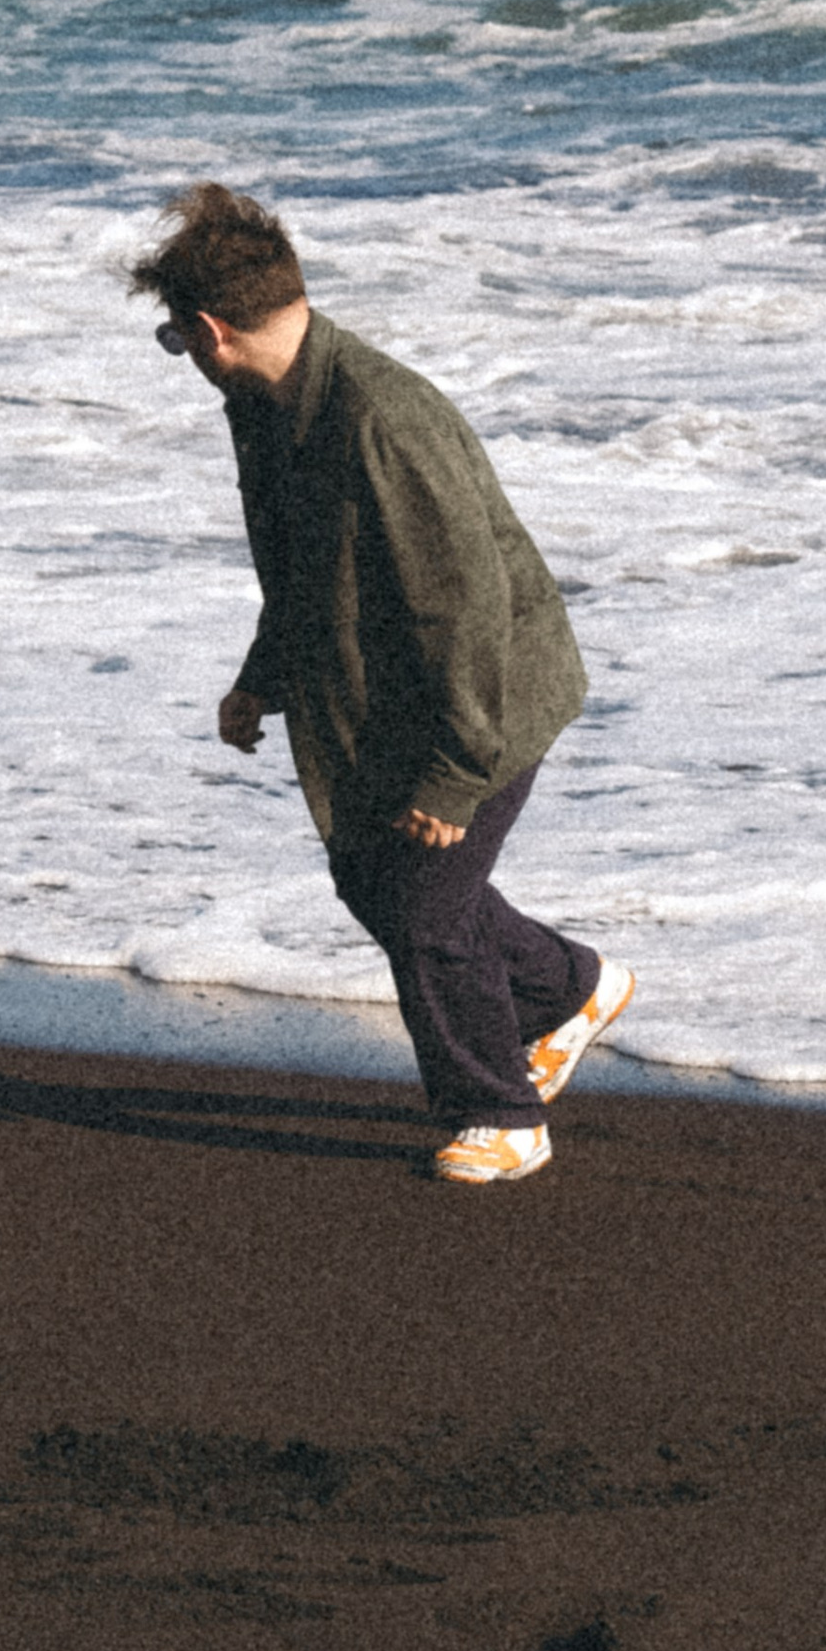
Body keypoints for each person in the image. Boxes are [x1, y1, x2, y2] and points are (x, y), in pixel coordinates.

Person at [131, 182, 632, 1184]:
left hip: (489, 689)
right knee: (371, 876)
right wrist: (260, 678)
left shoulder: (380, 421)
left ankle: (503, 1115)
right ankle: (570, 986)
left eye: (176, 339)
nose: (182, 357)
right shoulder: (266, 404)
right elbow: (308, 567)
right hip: (399, 687)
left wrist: (455, 776)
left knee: (424, 907)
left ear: (213, 331)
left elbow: (466, 610)